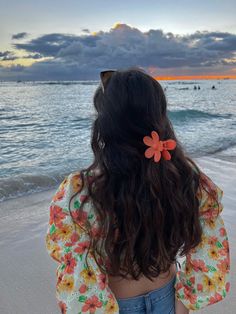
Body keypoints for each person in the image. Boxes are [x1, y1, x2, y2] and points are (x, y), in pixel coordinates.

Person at [45, 68, 230, 314]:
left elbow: (78, 273)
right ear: (160, 118)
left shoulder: (82, 192)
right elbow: (211, 246)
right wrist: (185, 303)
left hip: (117, 305)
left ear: (106, 125)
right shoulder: (185, 179)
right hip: (171, 300)